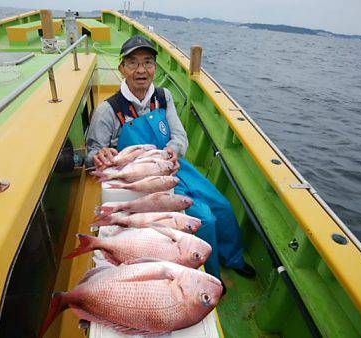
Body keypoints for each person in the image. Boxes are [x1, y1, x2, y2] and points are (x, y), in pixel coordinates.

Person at [86, 36, 255, 279]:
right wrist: (100, 155)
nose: (141, 70)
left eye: (148, 62)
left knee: (223, 207)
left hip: (176, 167)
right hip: (143, 180)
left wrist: (175, 149)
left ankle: (234, 257)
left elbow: (179, 135)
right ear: (122, 67)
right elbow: (93, 154)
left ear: (155, 67)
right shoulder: (108, 110)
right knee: (204, 218)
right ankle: (211, 277)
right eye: (133, 63)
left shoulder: (164, 97)